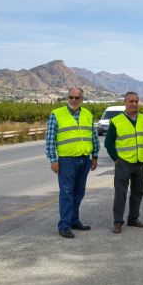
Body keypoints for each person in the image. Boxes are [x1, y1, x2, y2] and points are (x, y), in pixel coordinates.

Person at [45, 87, 99, 239]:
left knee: (79, 193)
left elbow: (93, 136)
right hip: (66, 160)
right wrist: (53, 159)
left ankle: (74, 220)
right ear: (67, 98)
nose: (74, 100)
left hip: (84, 159)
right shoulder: (57, 114)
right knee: (67, 193)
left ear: (82, 99)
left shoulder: (88, 114)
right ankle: (64, 225)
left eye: (77, 98)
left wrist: (94, 156)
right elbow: (50, 139)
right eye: (71, 97)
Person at [104, 92, 143, 234]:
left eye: (136, 101)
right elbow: (108, 143)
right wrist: (116, 159)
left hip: (140, 163)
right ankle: (118, 222)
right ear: (125, 103)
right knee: (120, 193)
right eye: (131, 101)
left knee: (138, 192)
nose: (134, 104)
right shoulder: (116, 121)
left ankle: (133, 218)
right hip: (124, 163)